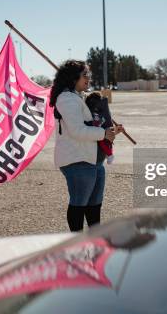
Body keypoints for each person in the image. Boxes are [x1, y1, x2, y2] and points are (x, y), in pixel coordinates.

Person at [49, 60, 123, 232]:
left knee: (94, 205)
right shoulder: (67, 98)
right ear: (73, 77)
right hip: (77, 160)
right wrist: (103, 134)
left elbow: (91, 126)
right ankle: (77, 245)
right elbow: (77, 130)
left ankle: (95, 243)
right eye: (85, 75)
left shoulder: (75, 97)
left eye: (88, 75)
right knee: (79, 203)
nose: (88, 78)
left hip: (92, 160)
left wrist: (111, 132)